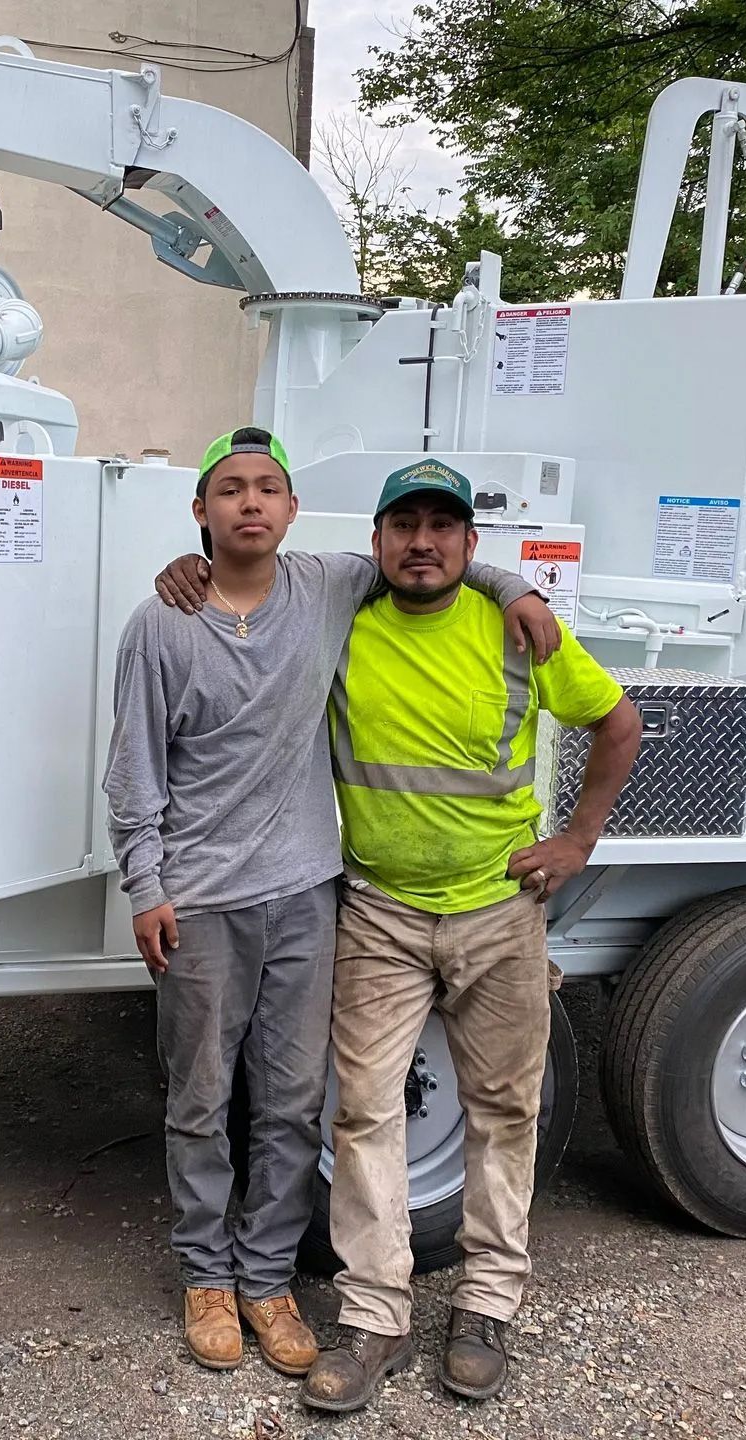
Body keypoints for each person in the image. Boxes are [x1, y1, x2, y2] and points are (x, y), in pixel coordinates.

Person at [103, 429, 561, 1376]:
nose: (250, 503)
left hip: (309, 897)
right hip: (200, 901)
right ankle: (206, 1276)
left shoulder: (327, 585)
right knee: (200, 1098)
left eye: (268, 488)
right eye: (230, 490)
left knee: (291, 1105)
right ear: (201, 511)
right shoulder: (161, 624)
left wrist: (516, 586)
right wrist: (145, 885)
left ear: (292, 510)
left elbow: (430, 557)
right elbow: (135, 768)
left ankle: (268, 1281)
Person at [291, 461, 641, 1414]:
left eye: (442, 526)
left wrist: (577, 841)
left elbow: (619, 725)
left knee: (505, 1112)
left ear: (470, 543)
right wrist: (191, 566)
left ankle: (486, 1306)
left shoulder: (515, 629)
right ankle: (376, 1318)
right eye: (403, 524)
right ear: (375, 542)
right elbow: (254, 579)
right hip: (381, 912)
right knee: (363, 1114)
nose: (422, 542)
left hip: (499, 912)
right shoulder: (340, 623)